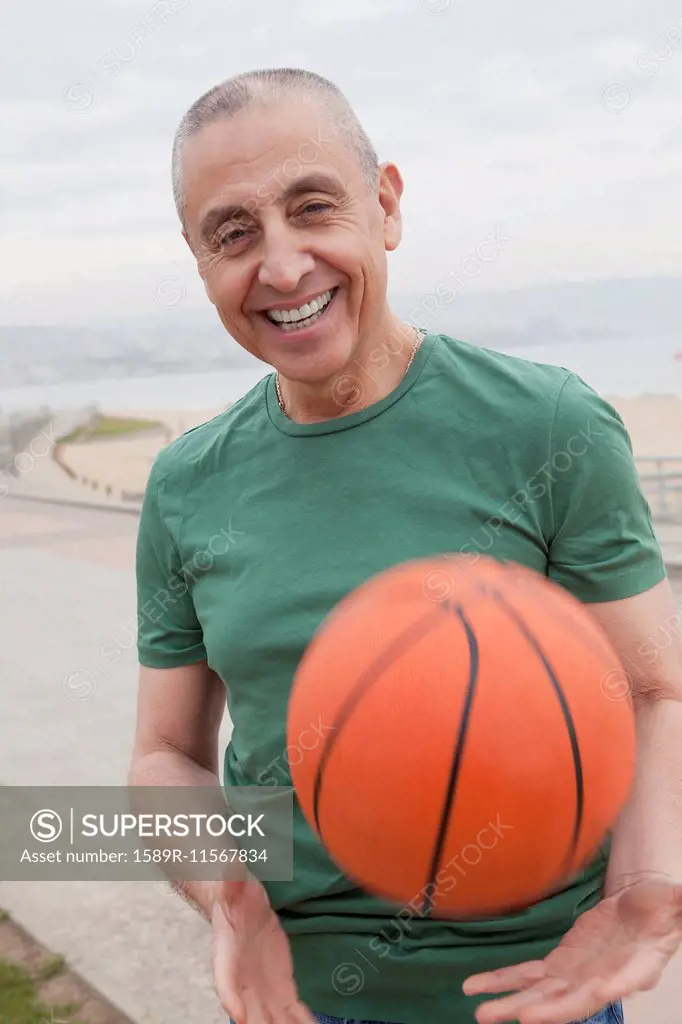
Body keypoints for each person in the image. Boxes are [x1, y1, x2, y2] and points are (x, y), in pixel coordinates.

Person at [130, 68, 682, 1024]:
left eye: (314, 208)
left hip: (539, 992)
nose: (285, 266)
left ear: (385, 205)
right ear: (198, 260)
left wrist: (640, 885)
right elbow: (163, 754)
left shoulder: (549, 427)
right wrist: (229, 890)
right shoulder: (186, 485)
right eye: (233, 233)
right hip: (295, 996)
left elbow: (653, 689)